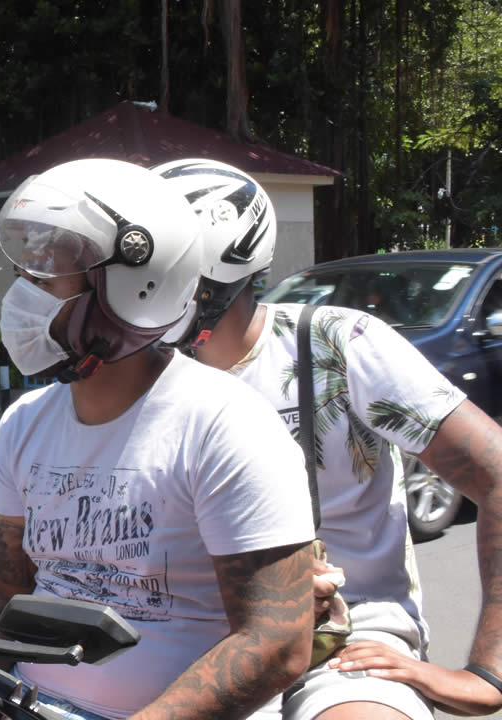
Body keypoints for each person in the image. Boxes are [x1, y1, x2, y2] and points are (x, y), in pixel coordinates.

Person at [0, 158, 318, 720]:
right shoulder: (23, 425)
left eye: (46, 275)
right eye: (24, 273)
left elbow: (277, 641)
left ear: (135, 287)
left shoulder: (225, 424)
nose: (21, 295)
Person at [152, 157, 502, 718]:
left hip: (343, 640)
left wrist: (487, 673)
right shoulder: (131, 373)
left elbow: (496, 473)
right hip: (183, 633)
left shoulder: (336, 345)